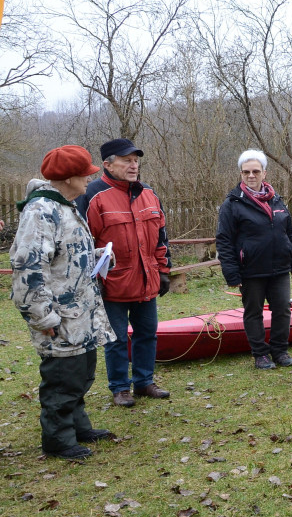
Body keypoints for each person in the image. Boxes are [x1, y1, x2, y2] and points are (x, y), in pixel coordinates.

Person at [10, 146, 116, 459]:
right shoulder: (41, 211)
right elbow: (28, 268)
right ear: (69, 178)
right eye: (86, 174)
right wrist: (44, 319)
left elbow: (61, 256)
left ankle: (78, 427)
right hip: (60, 317)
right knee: (61, 380)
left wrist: (97, 256)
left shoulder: (66, 206)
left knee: (80, 373)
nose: (90, 179)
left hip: (81, 314)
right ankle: (58, 440)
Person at [77, 138, 172, 407]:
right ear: (108, 165)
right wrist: (93, 280)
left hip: (146, 277)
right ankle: (120, 388)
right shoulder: (92, 195)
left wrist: (164, 270)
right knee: (116, 338)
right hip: (111, 283)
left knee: (147, 333)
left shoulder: (149, 193)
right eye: (126, 160)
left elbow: (161, 237)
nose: (133, 165)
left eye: (136, 160)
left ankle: (144, 382)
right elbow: (84, 243)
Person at [216, 150, 292, 369]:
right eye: (246, 172)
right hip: (251, 270)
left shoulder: (277, 200)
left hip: (280, 267)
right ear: (241, 174)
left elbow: (289, 233)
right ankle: (260, 354)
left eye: (256, 171)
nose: (251, 175)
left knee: (282, 309)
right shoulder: (232, 204)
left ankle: (280, 351)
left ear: (264, 173)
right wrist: (232, 273)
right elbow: (224, 241)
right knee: (254, 312)